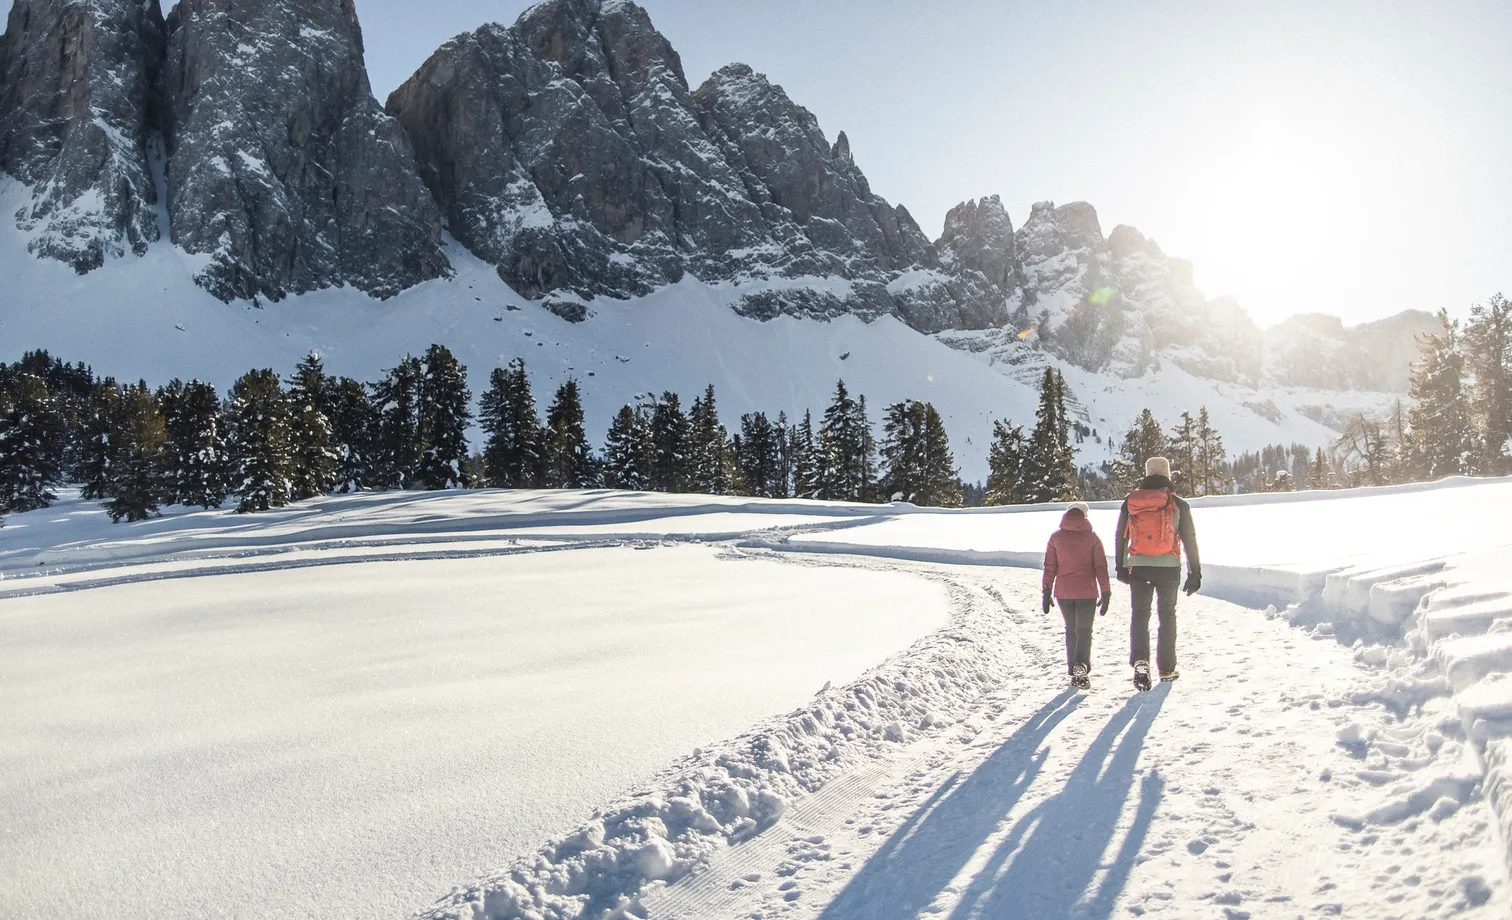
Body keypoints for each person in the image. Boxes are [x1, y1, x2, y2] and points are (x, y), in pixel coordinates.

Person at [1115, 456, 1202, 690]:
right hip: (1168, 568)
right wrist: (1195, 573)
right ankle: (1167, 668)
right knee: (1167, 616)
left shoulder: (1131, 502)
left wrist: (1121, 567)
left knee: (1140, 615)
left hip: (1139, 566)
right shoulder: (1178, 504)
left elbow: (1121, 536)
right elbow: (1189, 540)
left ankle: (1141, 661)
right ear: (1167, 475)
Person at [1042, 501, 1111, 690]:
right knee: (1084, 631)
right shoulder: (1093, 538)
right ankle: (1081, 665)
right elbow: (1101, 568)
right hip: (1087, 592)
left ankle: (1075, 671)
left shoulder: (1056, 538)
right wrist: (1106, 592)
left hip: (1063, 593)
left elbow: (1050, 567)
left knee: (1071, 630)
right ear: (1084, 517)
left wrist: (1046, 591)